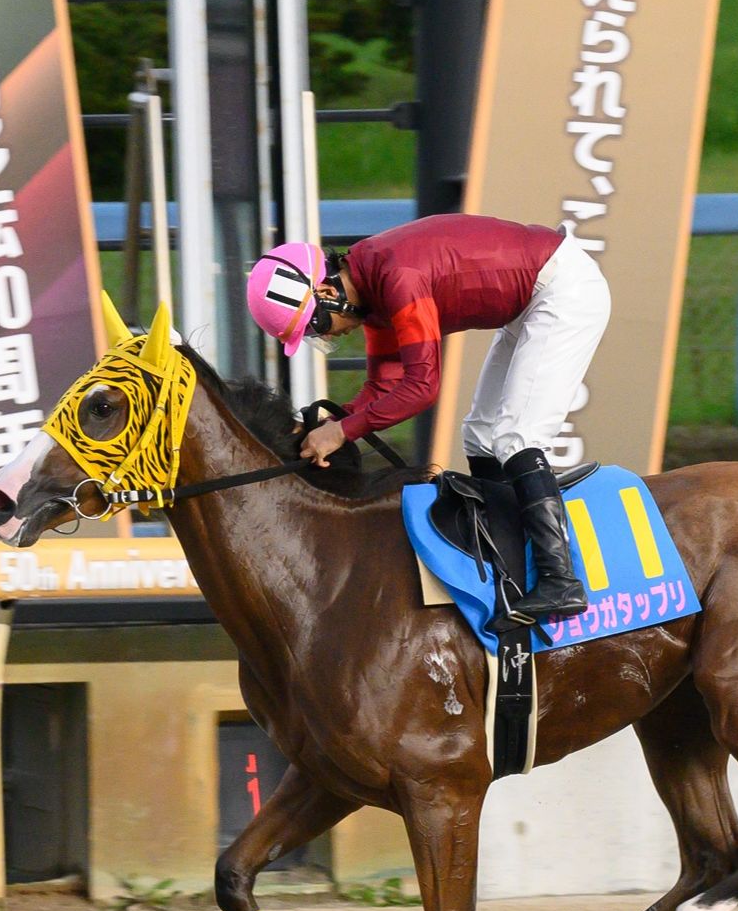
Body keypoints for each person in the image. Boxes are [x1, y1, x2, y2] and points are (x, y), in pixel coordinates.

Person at [244, 214, 610, 624]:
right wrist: (332, 422)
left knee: (516, 437)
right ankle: (508, 564)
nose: (326, 336)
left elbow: (422, 387)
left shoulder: (396, 277)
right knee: (481, 435)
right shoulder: (372, 289)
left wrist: (343, 431)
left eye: (316, 325)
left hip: (564, 291)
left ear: (327, 291)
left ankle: (561, 580)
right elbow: (384, 385)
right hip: (532, 300)